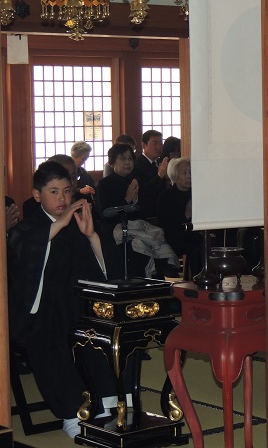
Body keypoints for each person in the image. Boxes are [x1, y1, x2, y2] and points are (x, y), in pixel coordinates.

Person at [7, 161, 122, 438]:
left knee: (103, 333)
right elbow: (22, 270)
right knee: (50, 338)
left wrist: (91, 236)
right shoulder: (27, 229)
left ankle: (104, 405)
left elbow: (104, 272)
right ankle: (72, 411)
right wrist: (57, 226)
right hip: (41, 311)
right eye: (54, 191)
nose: (62, 198)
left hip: (77, 305)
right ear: (37, 195)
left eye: (67, 191)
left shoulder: (76, 224)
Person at [97, 143, 179, 279]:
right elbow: (105, 213)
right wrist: (127, 199)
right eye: (123, 159)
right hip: (117, 231)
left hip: (138, 226)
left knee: (160, 244)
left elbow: (146, 204)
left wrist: (159, 177)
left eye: (130, 159)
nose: (127, 162)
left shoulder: (136, 180)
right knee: (141, 252)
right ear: (112, 162)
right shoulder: (105, 184)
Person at [157, 157, 202, 276]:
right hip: (174, 236)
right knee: (197, 246)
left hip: (196, 234)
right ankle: (197, 279)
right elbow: (168, 225)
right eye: (184, 173)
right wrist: (187, 214)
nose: (189, 176)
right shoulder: (166, 196)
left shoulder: (196, 193)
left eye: (190, 172)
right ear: (175, 176)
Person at [134, 129, 169, 220]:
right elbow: (143, 192)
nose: (159, 147)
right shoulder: (137, 165)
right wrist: (159, 176)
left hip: (161, 211)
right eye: (155, 143)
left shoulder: (160, 162)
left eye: (161, 143)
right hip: (147, 215)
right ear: (143, 145)